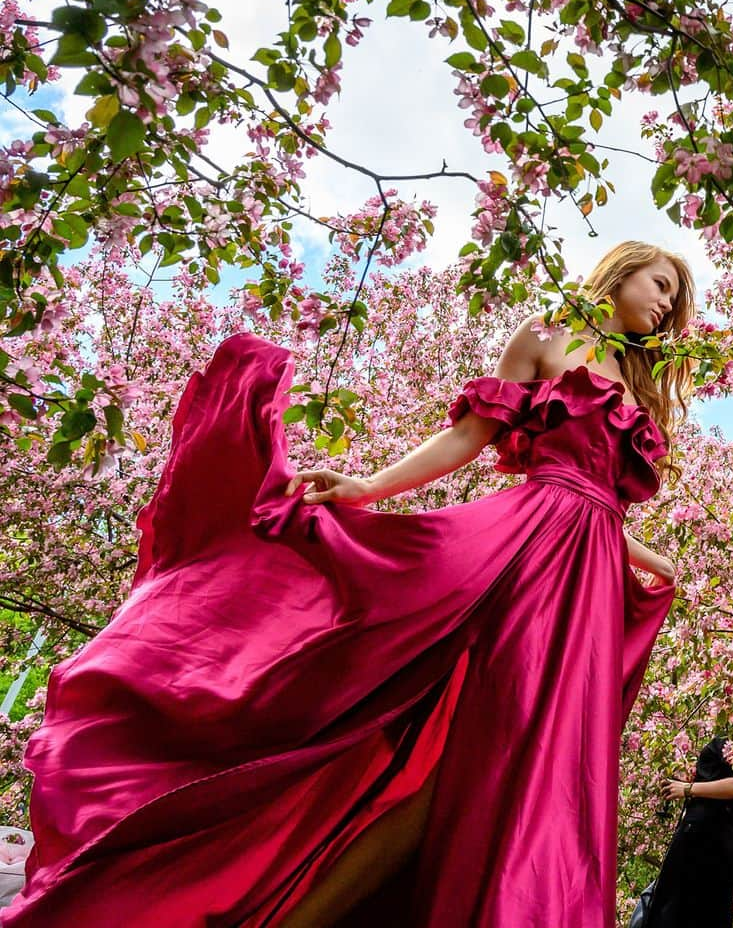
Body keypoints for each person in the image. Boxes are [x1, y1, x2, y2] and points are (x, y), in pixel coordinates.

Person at [4, 241, 695, 927]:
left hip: (587, 578)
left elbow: (595, 500)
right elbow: (469, 439)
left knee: (505, 765)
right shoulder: (546, 336)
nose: (665, 306)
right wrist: (369, 485)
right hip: (519, 552)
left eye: (674, 300)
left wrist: (643, 557)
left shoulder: (635, 386)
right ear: (621, 271)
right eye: (661, 284)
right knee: (477, 748)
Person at [641, 699, 733, 928]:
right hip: (721, 834)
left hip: (703, 834)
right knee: (703, 912)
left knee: (674, 910)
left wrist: (687, 789)